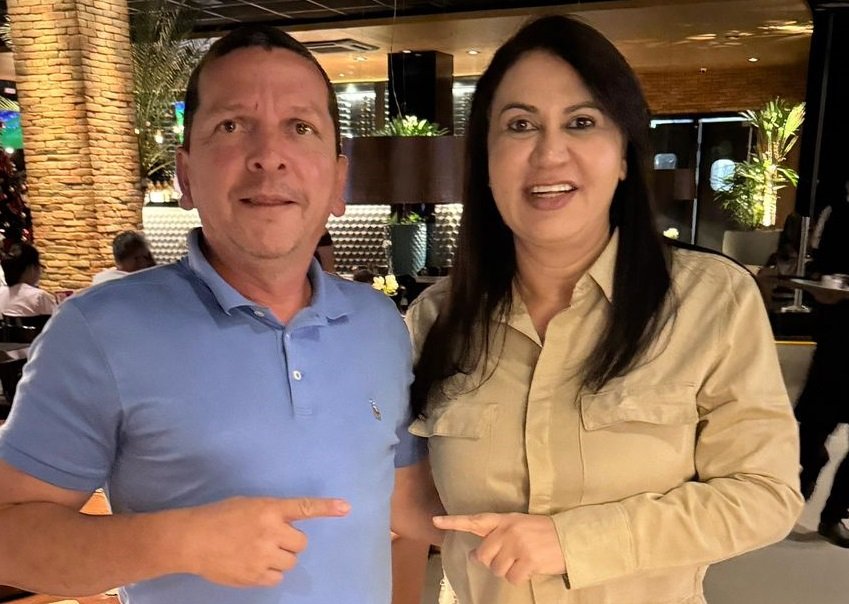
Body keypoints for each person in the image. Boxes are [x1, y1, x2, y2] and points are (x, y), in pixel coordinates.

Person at [0, 25, 440, 603]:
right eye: (232, 126)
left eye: (300, 127)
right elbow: (9, 537)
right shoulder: (99, 331)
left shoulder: (379, 324)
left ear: (338, 181)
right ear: (186, 175)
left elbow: (405, 499)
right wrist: (180, 540)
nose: (268, 157)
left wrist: (550, 526)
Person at [404, 15, 803, 603]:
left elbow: (765, 494)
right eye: (519, 125)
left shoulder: (710, 299)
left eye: (581, 122)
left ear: (622, 156)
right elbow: (406, 498)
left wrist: (575, 542)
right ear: (486, 162)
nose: (549, 153)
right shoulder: (435, 319)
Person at [795, 177, 849, 547]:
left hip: (838, 332)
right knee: (813, 427)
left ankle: (834, 514)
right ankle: (797, 486)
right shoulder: (841, 214)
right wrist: (822, 285)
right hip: (839, 337)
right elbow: (823, 267)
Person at [0, 241, 57, 317]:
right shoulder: (39, 296)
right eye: (39, 266)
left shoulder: (1, 292)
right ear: (31, 268)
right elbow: (58, 321)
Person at [91, 230, 156, 285]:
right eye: (137, 258)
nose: (143, 262)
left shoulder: (100, 278)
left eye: (145, 257)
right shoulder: (137, 282)